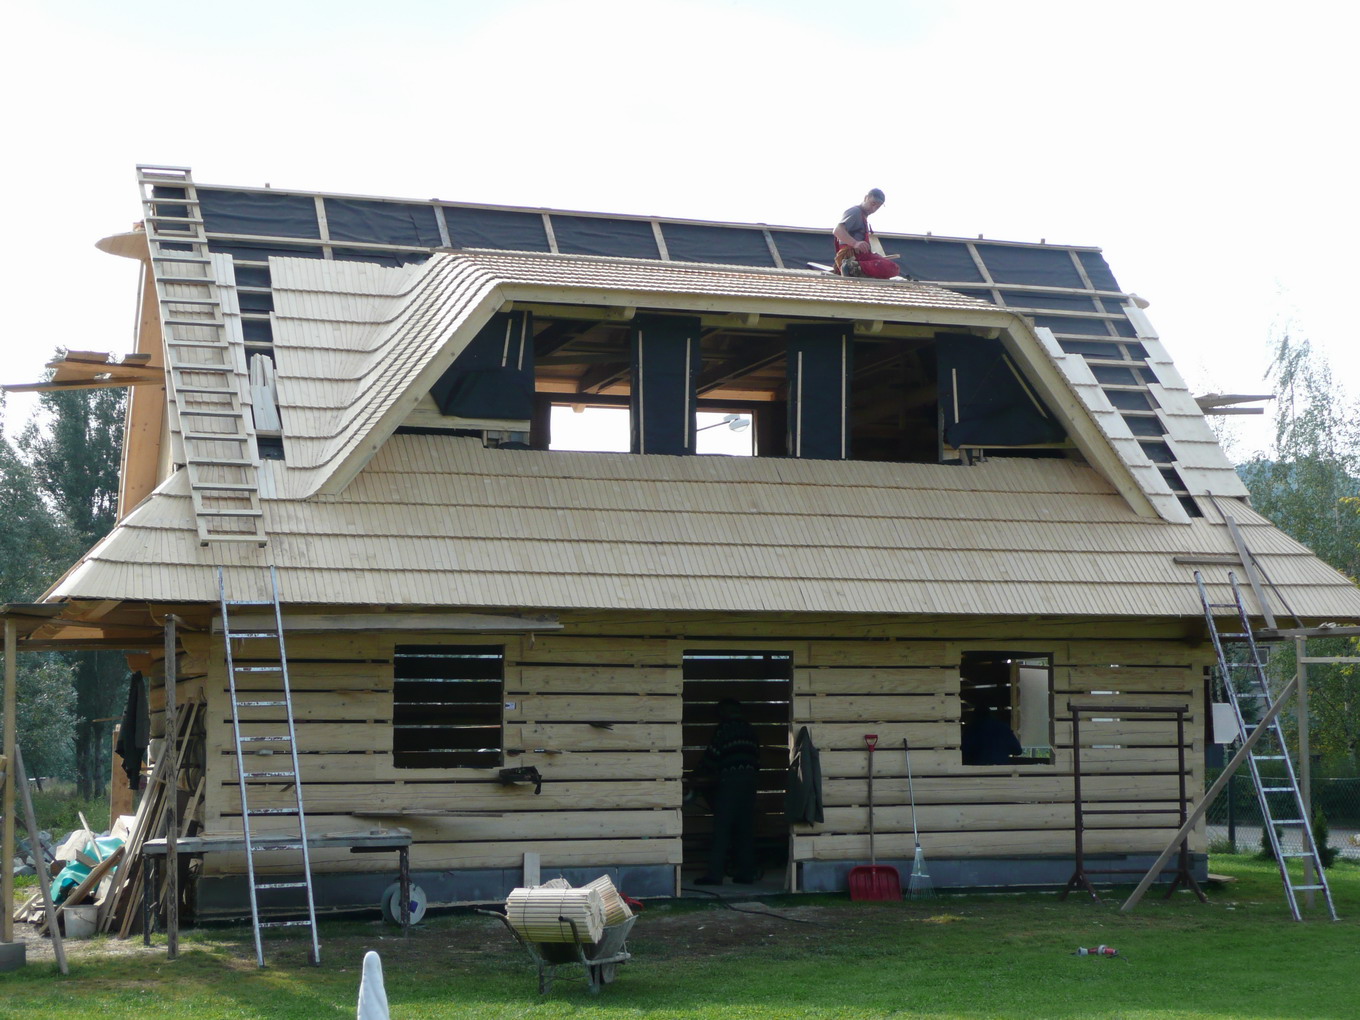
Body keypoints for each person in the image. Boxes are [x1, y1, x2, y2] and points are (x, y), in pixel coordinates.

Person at [696, 699, 760, 885]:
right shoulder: (750, 730)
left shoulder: (724, 729)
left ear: (724, 711)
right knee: (745, 829)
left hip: (729, 783)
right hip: (750, 783)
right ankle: (746, 873)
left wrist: (697, 774)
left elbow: (712, 756)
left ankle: (715, 875)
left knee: (722, 829)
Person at [833, 189, 900, 279]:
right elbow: (837, 230)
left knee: (892, 268)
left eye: (877, 207)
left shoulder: (862, 216)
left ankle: (857, 270)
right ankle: (851, 267)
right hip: (854, 256)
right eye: (873, 204)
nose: (873, 209)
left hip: (862, 256)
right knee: (892, 267)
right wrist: (855, 243)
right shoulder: (855, 211)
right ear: (866, 198)